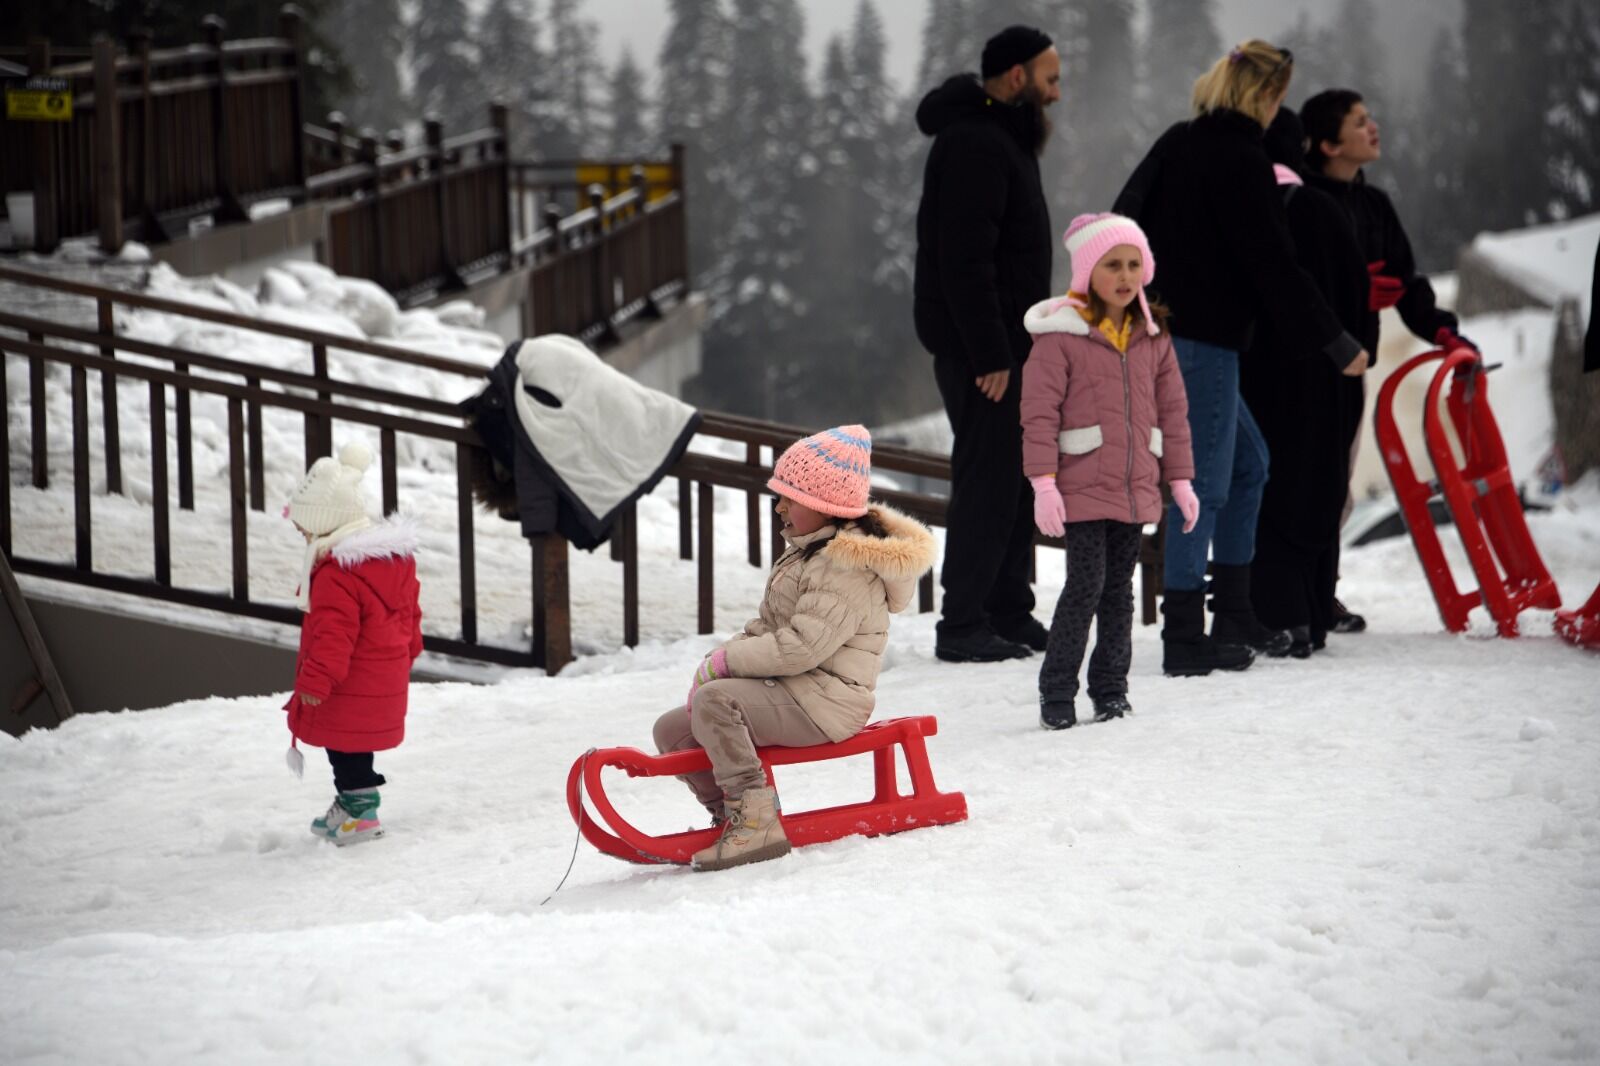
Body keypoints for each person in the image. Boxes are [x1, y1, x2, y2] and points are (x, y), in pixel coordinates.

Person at [1113, 40, 1370, 677]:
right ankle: (1184, 634)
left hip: (1173, 335)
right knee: (1200, 485)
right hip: (1203, 343)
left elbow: (1123, 222)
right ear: (1267, 95)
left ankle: (1232, 611)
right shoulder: (1242, 158)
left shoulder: (1180, 140)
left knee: (1251, 466)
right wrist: (1335, 341)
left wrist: (1142, 301)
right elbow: (1273, 264)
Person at [651, 426, 935, 872]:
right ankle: (730, 815)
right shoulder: (805, 552)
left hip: (829, 701)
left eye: (790, 497)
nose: (779, 506)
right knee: (673, 729)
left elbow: (801, 648)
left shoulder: (845, 567)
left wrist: (724, 668)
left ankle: (756, 822)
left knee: (716, 701)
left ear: (825, 506)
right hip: (796, 689)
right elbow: (766, 628)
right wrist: (715, 664)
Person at [913, 25, 1062, 663]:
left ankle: (1007, 608)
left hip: (1007, 343)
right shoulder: (977, 142)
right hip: (986, 352)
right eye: (1050, 77)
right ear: (1017, 76)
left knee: (1016, 479)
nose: (1059, 91)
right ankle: (963, 622)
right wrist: (991, 353)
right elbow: (964, 261)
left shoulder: (1000, 138)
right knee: (988, 479)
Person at [1300, 88, 1473, 635]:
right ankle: (1282, 599)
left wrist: (1443, 332)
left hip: (1353, 365)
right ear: (1328, 144)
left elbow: (1407, 282)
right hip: (1301, 366)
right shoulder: (1302, 201)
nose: (1374, 128)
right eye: (1359, 122)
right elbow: (1292, 286)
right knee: (1296, 483)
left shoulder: (1374, 207)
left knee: (1335, 486)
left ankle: (1319, 596)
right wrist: (1351, 291)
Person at [1021, 214, 1199, 729]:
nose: (1125, 275)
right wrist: (1043, 483)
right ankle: (1057, 692)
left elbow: (1174, 411)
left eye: (1133, 264)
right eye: (1112, 265)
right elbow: (1038, 414)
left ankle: (1111, 689)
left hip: (1135, 484)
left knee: (1119, 590)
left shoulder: (1151, 333)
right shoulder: (1061, 336)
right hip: (1079, 484)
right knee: (1086, 584)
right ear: (1086, 272)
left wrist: (1181, 480)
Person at [1240, 109, 1369, 658]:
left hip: (1259, 376)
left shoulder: (1246, 210)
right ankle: (1314, 615)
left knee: (1266, 492)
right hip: (1329, 374)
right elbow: (1357, 298)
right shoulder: (1324, 209)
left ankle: (1278, 615)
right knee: (1318, 487)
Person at [282, 442, 423, 846]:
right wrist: (405, 653)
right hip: (379, 674)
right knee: (351, 746)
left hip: (348, 682)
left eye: (305, 528)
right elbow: (412, 616)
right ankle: (351, 805)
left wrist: (315, 681)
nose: (302, 534)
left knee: (344, 748)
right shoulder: (391, 564)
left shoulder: (335, 575)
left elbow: (333, 636)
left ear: (326, 526)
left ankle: (362, 815)